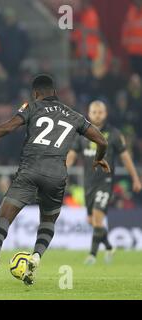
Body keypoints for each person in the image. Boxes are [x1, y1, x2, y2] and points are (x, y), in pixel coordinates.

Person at [0, 74, 109, 286]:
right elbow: (101, 140)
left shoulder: (32, 107)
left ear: (36, 94)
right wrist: (98, 159)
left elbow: (9, 126)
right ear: (55, 92)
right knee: (48, 222)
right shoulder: (74, 115)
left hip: (30, 170)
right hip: (57, 175)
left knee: (4, 217)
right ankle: (36, 257)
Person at [66, 100, 141, 265]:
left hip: (105, 182)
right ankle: (108, 247)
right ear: (89, 114)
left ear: (105, 114)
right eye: (94, 112)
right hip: (89, 183)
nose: (97, 115)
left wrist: (135, 178)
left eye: (100, 112)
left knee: (98, 218)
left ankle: (92, 255)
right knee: (91, 221)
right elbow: (72, 154)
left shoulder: (114, 134)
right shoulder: (82, 134)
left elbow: (125, 157)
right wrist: (63, 169)